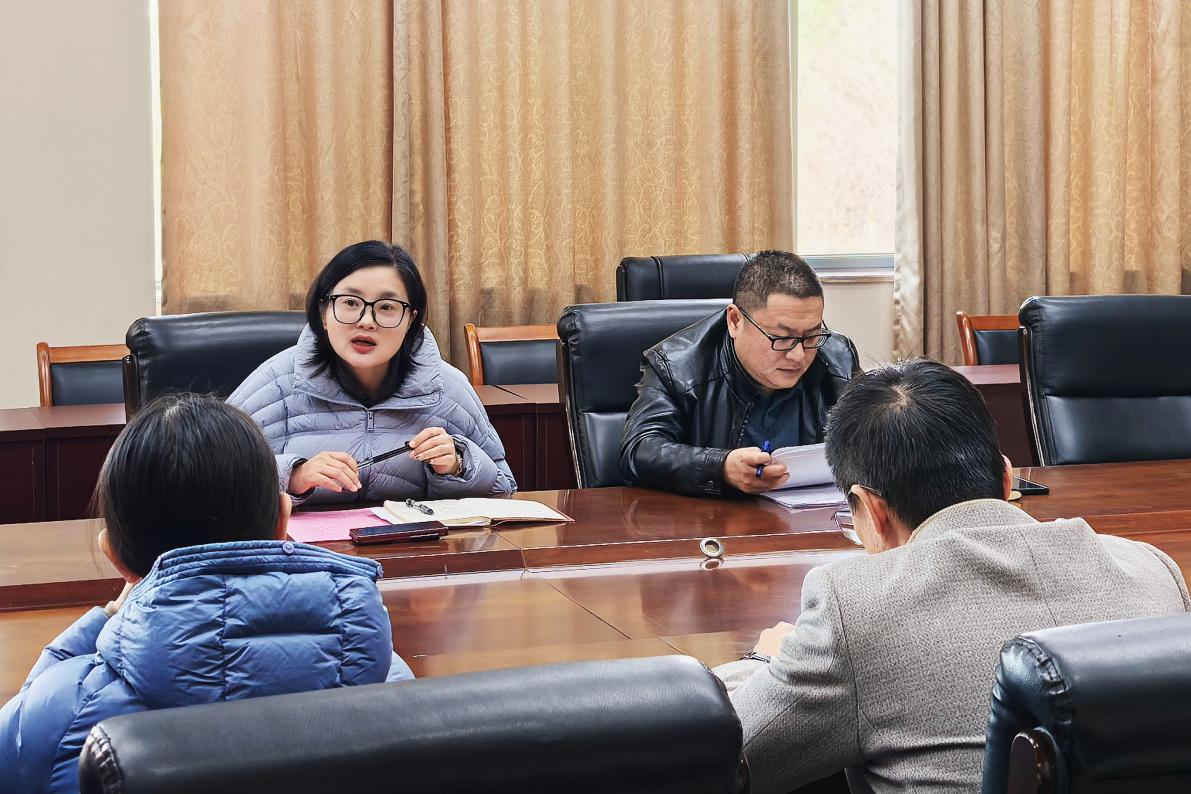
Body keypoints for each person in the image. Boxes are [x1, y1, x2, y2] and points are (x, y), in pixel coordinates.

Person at [714, 360, 1191, 794]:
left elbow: (720, 756)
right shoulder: (1152, 570)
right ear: (1006, 480)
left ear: (872, 510)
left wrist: (764, 660)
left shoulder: (857, 608)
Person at [0, 394, 413, 794]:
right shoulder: (386, 678)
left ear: (115, 557)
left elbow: (18, 752)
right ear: (282, 522)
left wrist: (104, 618)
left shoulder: (60, 716)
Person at [228, 240, 516, 505]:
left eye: (387, 306)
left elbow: (505, 488)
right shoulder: (276, 382)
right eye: (350, 303)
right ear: (324, 312)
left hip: (414, 544)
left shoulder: (447, 387)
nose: (367, 321)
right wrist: (293, 476)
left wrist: (458, 465)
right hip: (305, 546)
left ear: (411, 320)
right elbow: (213, 478)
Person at [619, 250, 860, 497]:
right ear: (735, 321)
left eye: (811, 335)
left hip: (811, 517)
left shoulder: (837, 358)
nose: (798, 355)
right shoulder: (676, 366)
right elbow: (639, 451)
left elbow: (869, 438)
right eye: (781, 338)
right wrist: (721, 468)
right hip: (713, 517)